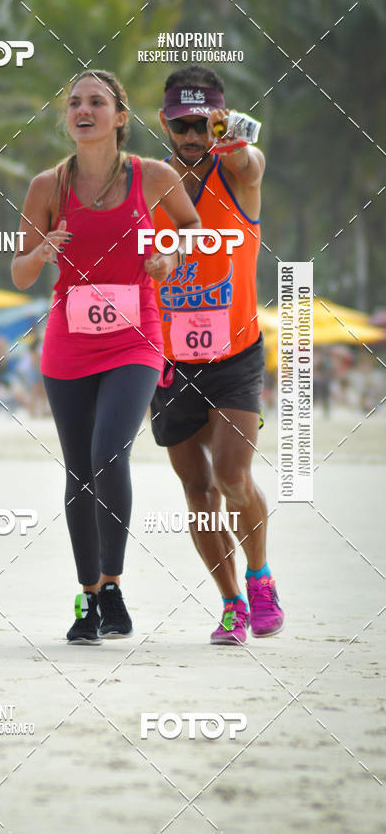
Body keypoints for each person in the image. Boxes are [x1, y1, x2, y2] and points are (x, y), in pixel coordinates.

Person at [12, 69, 199, 644]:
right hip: (68, 342)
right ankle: (88, 598)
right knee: (78, 470)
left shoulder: (155, 176)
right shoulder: (48, 186)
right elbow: (19, 274)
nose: (82, 110)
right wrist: (41, 252)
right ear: (67, 118)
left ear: (120, 117)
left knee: (106, 455)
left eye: (96, 102)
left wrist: (168, 253)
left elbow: (193, 229)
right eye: (74, 103)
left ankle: (113, 585)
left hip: (135, 336)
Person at [150, 65, 284, 645]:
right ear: (164, 122)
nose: (192, 135)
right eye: (181, 123)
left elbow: (250, 161)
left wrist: (232, 135)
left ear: (221, 119)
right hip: (168, 361)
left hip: (235, 356)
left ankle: (260, 577)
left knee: (233, 477)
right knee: (197, 492)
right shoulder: (148, 184)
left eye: (203, 122)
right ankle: (231, 603)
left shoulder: (240, 172)